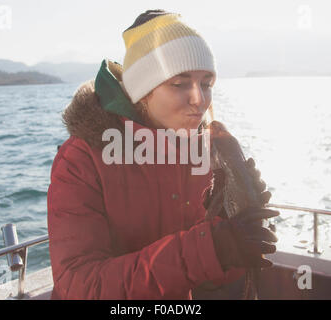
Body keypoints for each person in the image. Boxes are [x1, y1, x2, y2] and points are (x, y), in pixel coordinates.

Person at [47, 9, 279, 300]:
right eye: (179, 84)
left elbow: (214, 277)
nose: (200, 100)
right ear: (141, 92)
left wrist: (234, 229)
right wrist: (211, 248)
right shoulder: (81, 159)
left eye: (206, 84)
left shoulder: (207, 151)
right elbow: (80, 287)